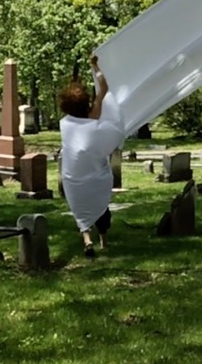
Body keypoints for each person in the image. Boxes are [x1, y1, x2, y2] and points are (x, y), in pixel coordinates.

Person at [59, 55, 125, 258]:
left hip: (73, 175)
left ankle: (87, 239)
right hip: (95, 174)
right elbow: (103, 88)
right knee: (100, 205)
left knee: (79, 207)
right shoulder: (93, 116)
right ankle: (103, 240)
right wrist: (95, 66)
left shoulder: (65, 124)